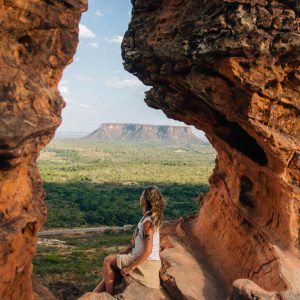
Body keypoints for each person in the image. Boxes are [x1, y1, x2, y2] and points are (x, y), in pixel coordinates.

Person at [93, 186, 165, 295]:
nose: (140, 197)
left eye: (141, 195)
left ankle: (109, 296)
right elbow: (137, 243)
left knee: (108, 261)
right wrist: (127, 250)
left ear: (145, 200)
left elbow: (148, 250)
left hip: (146, 264)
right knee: (113, 266)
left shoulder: (147, 223)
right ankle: (94, 295)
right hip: (143, 259)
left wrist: (130, 268)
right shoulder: (147, 218)